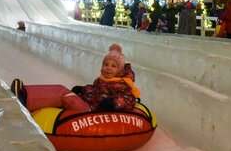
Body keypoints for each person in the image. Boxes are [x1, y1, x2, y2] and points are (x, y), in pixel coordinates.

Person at [11, 44, 140, 113]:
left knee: (62, 91)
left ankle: (25, 98)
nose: (108, 68)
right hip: (86, 104)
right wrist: (84, 89)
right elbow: (94, 91)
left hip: (90, 111)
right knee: (62, 90)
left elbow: (129, 99)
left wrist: (114, 103)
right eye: (106, 64)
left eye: (113, 66)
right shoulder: (101, 80)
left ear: (119, 71)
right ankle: (26, 93)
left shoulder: (122, 85)